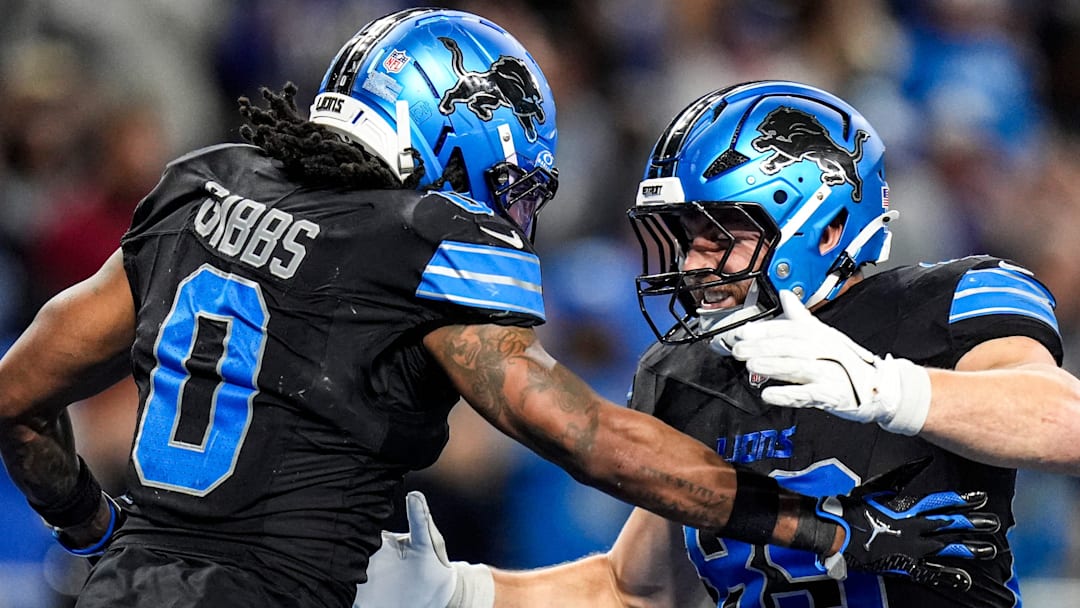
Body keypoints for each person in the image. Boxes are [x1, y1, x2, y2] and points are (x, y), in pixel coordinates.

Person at [0, 12, 995, 607]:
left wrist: (89, 524)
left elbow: (17, 394)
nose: (506, 209)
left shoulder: (204, 186)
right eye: (508, 180)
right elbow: (587, 435)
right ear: (448, 129)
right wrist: (825, 529)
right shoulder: (423, 237)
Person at [352, 80, 1072, 608]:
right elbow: (634, 589)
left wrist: (889, 390)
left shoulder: (939, 305)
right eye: (684, 238)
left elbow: (1064, 422)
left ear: (822, 229)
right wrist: (460, 592)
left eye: (719, 236)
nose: (692, 264)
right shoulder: (686, 374)